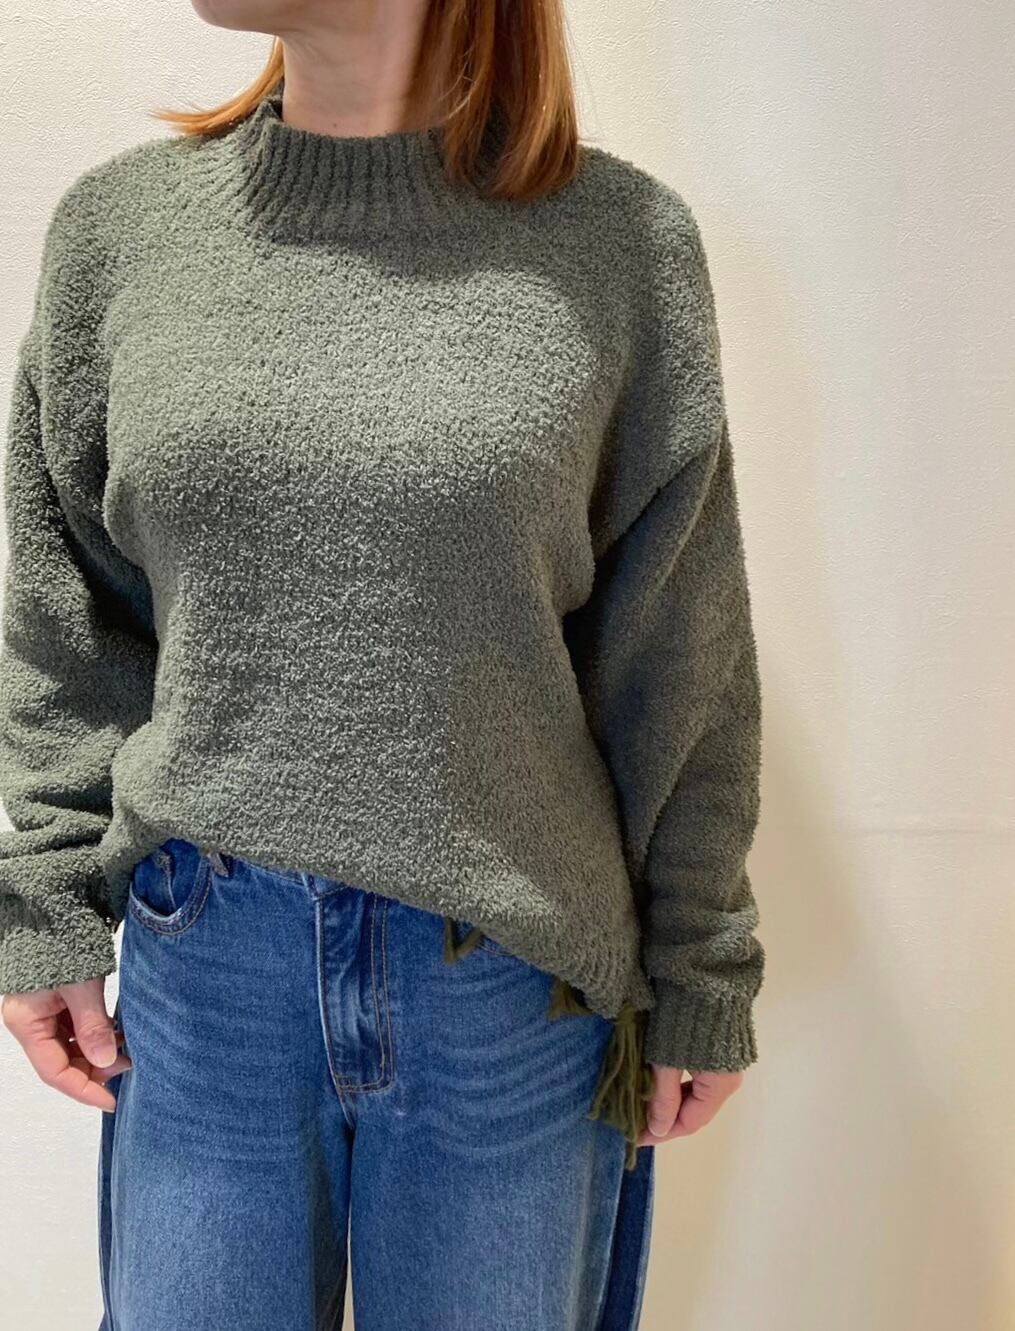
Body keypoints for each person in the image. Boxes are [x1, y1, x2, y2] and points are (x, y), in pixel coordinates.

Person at [0, 2, 766, 1327]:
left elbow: (678, 649)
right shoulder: (124, 234)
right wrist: (44, 897)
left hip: (512, 983)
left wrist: (704, 963)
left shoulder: (619, 245)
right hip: (209, 976)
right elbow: (68, 612)